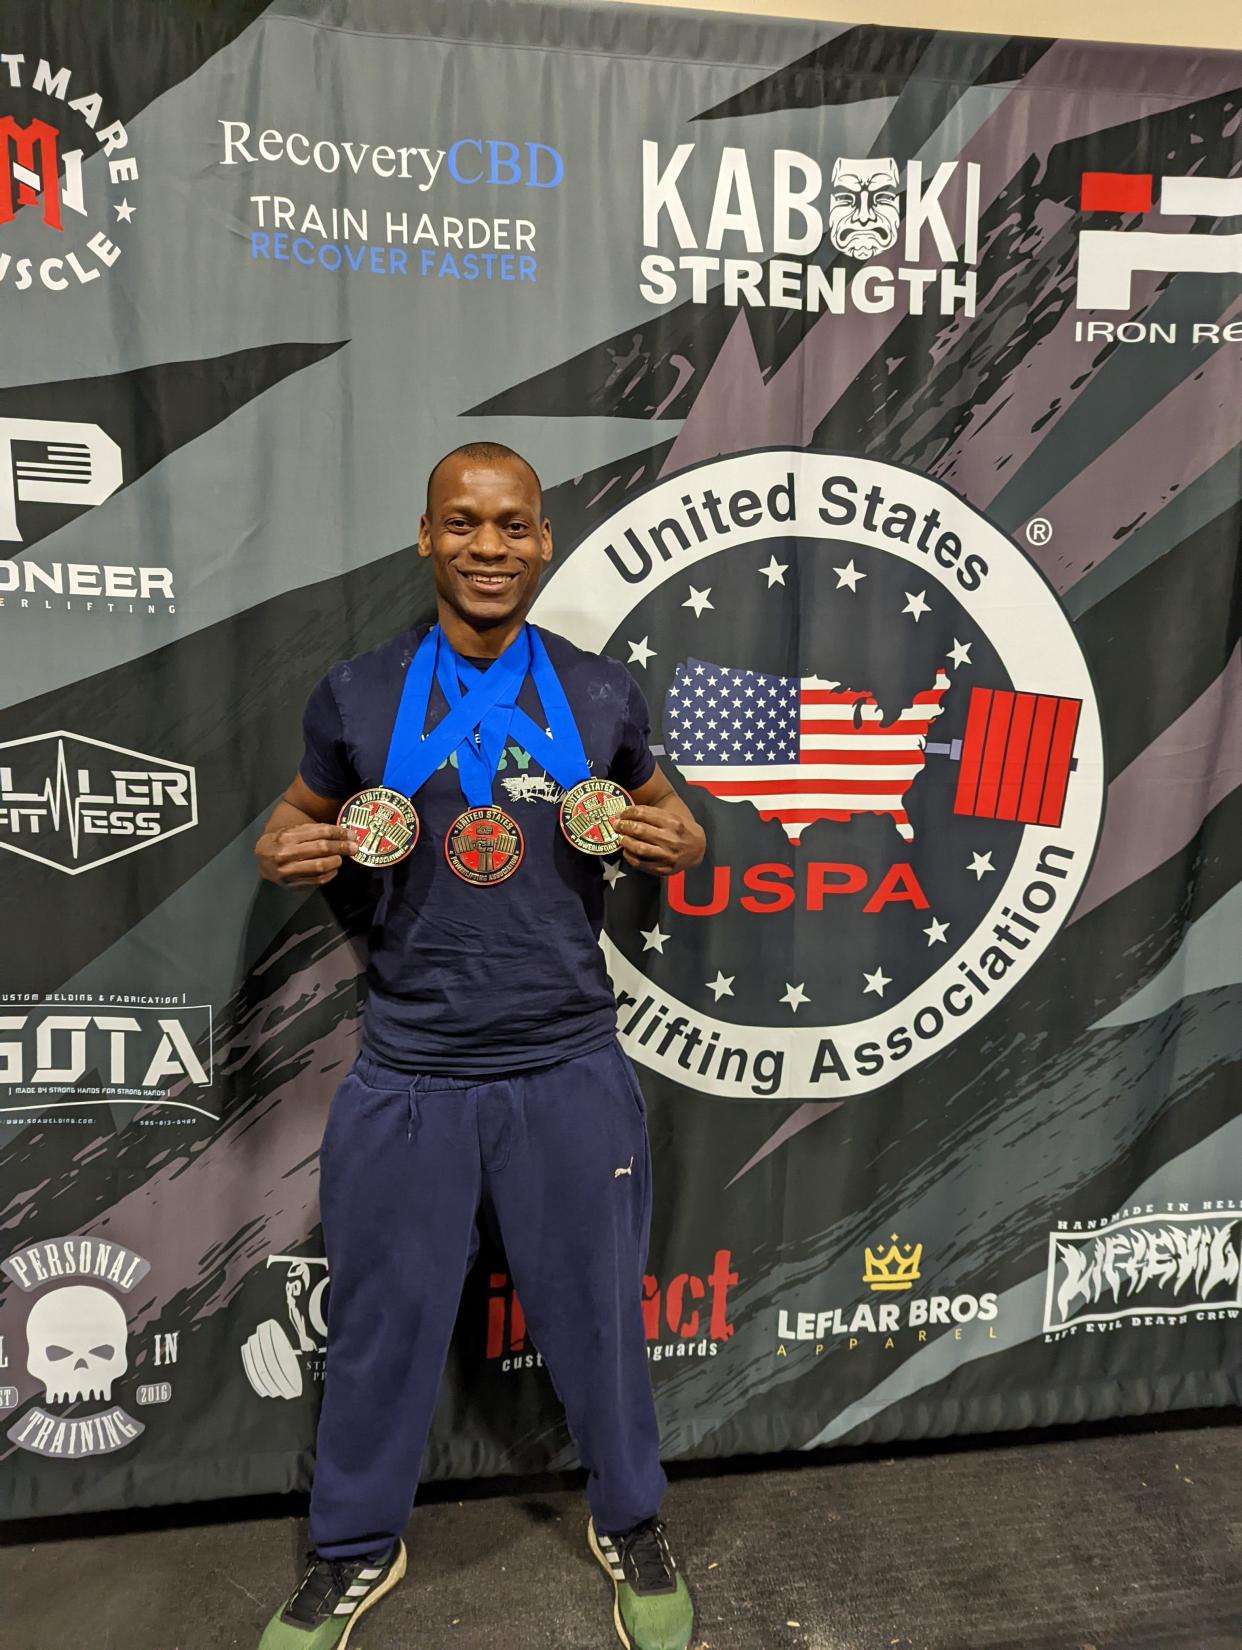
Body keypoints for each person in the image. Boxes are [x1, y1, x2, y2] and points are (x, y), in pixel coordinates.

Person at [253, 442, 705, 1650]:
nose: (489, 547)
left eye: (512, 526)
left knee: (602, 1316)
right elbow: (292, 824)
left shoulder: (602, 692)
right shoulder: (356, 693)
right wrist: (280, 854)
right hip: (411, 1064)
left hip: (566, 1059)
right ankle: (353, 1547)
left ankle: (631, 1519)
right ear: (426, 538)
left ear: (543, 541)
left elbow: (677, 824)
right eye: (464, 524)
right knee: (382, 1321)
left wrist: (676, 845)